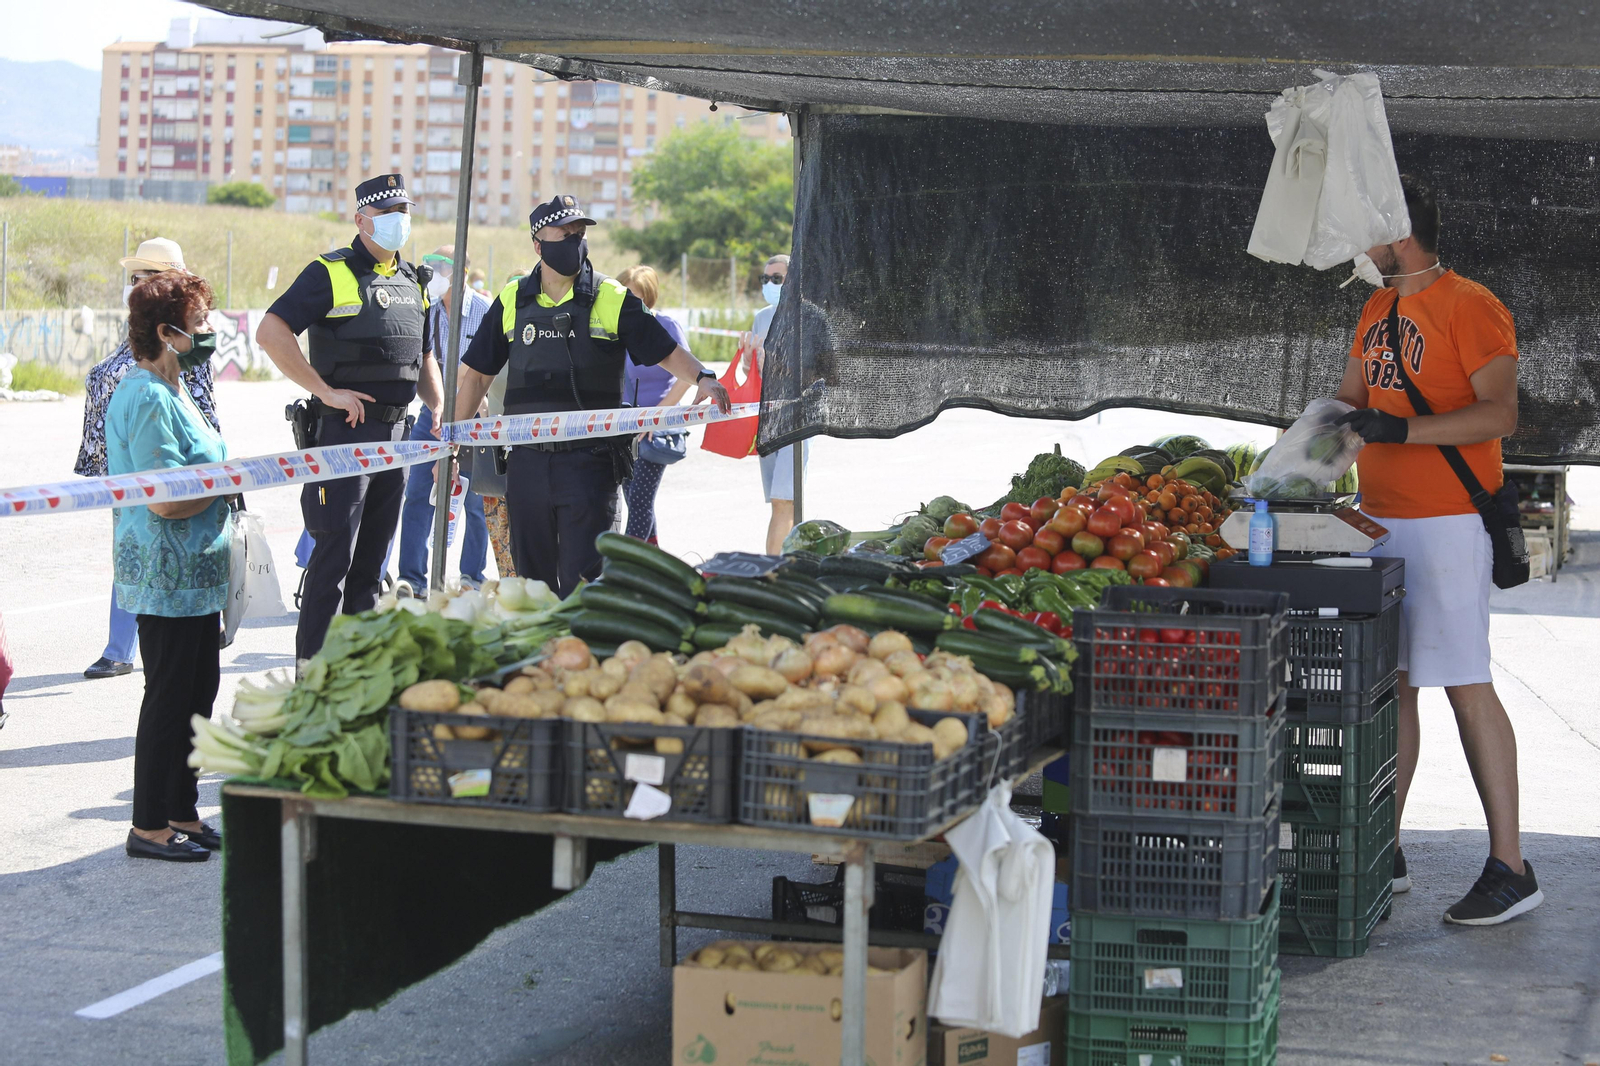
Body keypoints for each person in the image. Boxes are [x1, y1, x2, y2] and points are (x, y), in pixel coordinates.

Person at [1332, 173, 1539, 926]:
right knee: (1396, 685)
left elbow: (1500, 414)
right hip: (1378, 521)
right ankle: (1385, 847)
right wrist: (1311, 443)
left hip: (1451, 522)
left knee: (1465, 682)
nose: (1360, 248)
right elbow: (1354, 401)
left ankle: (1511, 867)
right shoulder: (1376, 306)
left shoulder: (1472, 306)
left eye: (1368, 233)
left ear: (1398, 231)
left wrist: (1401, 431)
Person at [452, 194, 730, 595]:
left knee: (587, 586)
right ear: (537, 244)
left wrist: (702, 376)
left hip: (589, 465)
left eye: (580, 234)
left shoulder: (611, 296)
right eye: (564, 233)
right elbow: (477, 375)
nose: (575, 241)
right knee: (531, 589)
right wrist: (457, 438)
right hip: (526, 465)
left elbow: (664, 349)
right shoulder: (512, 299)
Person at [256, 174, 444, 663]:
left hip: (399, 437)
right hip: (344, 435)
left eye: (404, 212)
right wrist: (324, 391)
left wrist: (439, 405)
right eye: (387, 215)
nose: (399, 223)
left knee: (372, 563)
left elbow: (422, 355)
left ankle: (356, 672)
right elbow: (271, 331)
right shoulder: (330, 271)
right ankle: (312, 676)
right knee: (333, 558)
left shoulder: (413, 281)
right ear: (361, 220)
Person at [108, 271, 231, 862]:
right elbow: (163, 497)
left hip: (197, 577)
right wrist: (224, 484)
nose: (208, 332)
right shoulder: (145, 395)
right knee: (168, 698)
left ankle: (183, 808)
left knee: (196, 693)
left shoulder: (177, 384)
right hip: (165, 575)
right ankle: (148, 825)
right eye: (200, 323)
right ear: (167, 332)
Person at [76, 238, 220, 680]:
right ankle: (119, 647)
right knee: (135, 556)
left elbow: (203, 416)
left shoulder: (181, 354)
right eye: (134, 277)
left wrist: (215, 471)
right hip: (142, 489)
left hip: (176, 494)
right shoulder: (138, 359)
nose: (135, 284)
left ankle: (120, 647)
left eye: (146, 276)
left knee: (188, 687)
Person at [395, 245, 492, 594]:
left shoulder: (484, 311)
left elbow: (482, 373)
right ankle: (413, 579)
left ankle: (471, 577)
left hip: (474, 417)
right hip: (431, 413)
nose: (434, 270)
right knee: (419, 492)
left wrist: (458, 416)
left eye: (443, 265)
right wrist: (437, 409)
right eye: (430, 263)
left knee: (475, 500)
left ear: (463, 272)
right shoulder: (425, 309)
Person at [615, 264, 693, 544]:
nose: (625, 301)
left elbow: (688, 377)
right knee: (634, 498)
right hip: (623, 427)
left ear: (647, 297)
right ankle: (652, 561)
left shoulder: (666, 326)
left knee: (639, 501)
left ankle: (626, 567)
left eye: (632, 295)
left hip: (655, 427)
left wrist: (657, 417)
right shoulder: (615, 329)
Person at [740, 252, 807, 554]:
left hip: (797, 418)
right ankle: (792, 562)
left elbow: (823, 370)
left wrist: (778, 364)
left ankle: (773, 570)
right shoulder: (762, 317)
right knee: (780, 503)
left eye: (776, 279)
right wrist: (746, 362)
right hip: (767, 418)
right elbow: (753, 372)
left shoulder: (809, 316)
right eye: (765, 279)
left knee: (784, 500)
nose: (769, 284)